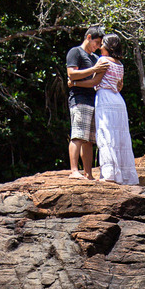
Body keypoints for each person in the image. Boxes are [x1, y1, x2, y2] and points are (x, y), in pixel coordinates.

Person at [65, 26, 109, 179]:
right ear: (88, 37)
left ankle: (88, 174)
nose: (97, 47)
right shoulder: (75, 52)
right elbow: (71, 74)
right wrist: (93, 69)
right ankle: (74, 170)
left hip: (93, 100)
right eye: (96, 42)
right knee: (78, 135)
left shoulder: (95, 58)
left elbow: (95, 81)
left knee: (89, 140)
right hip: (79, 99)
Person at [93, 34, 138, 185]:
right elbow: (120, 85)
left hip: (105, 98)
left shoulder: (103, 61)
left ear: (108, 47)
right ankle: (125, 175)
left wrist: (74, 83)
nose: (100, 47)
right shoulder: (120, 64)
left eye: (103, 45)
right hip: (118, 100)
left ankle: (109, 174)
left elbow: (95, 81)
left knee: (106, 134)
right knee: (120, 137)